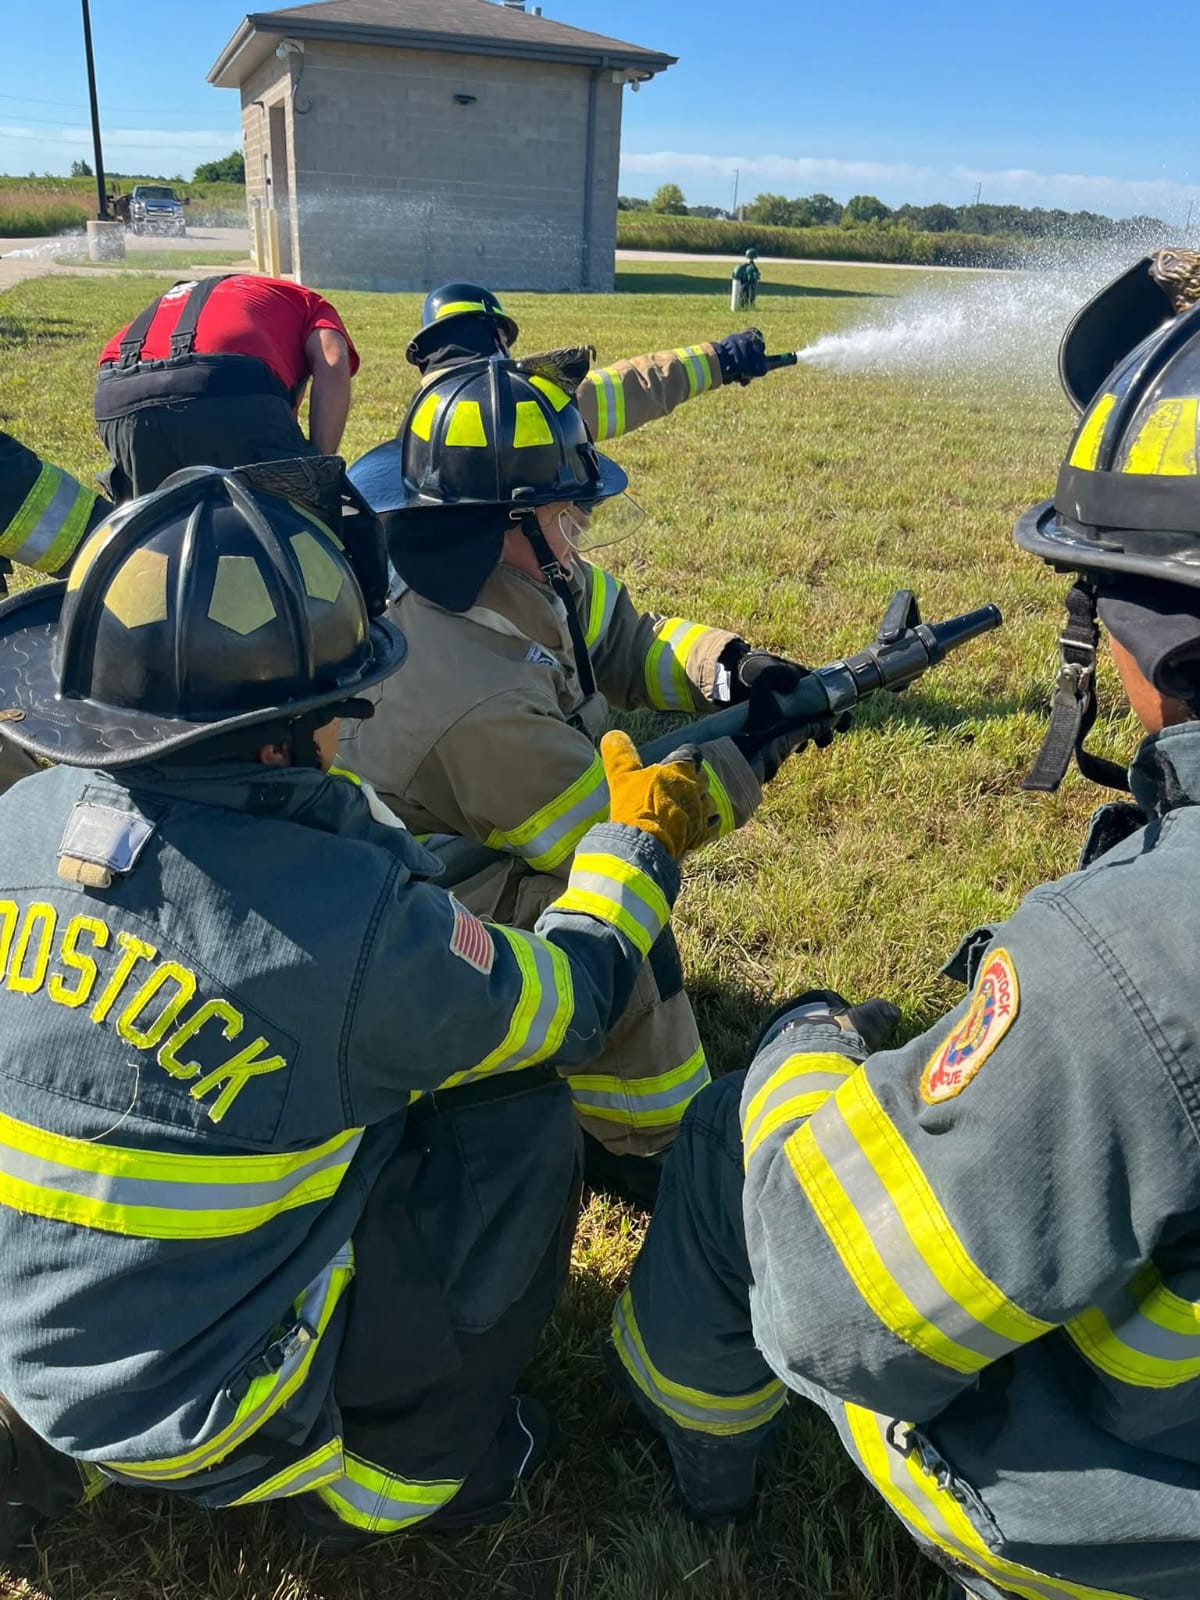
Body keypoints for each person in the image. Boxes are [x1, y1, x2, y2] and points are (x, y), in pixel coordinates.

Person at [0, 465, 713, 1558]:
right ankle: (408, 1474)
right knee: (515, 1115)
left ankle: (45, 1440)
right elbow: (568, 1003)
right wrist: (631, 851)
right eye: (340, 710)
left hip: (30, 1337)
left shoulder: (25, 819)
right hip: (215, 1403)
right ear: (284, 740)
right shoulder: (352, 931)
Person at [604, 300, 1200, 1600]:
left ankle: (702, 1477)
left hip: (1133, 1526)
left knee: (741, 1138)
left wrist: (811, 1041)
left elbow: (840, 1306)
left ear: (1128, 635)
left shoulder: (1134, 976)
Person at [344, 357, 818, 1204]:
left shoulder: (500, 576)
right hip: (422, 909)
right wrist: (753, 759)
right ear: (507, 522)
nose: (578, 541)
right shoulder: (469, 698)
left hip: (472, 838)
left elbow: (618, 635)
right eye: (567, 518)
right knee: (620, 925)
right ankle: (648, 1149)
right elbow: (613, 830)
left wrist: (729, 670)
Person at [404, 280, 774, 445]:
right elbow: (632, 388)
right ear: (495, 334)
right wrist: (721, 359)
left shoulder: (421, 415)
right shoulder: (521, 400)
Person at [93, 273, 359, 499]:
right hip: (225, 383)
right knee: (288, 522)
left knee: (159, 531)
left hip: (116, 395)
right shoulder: (310, 303)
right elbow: (333, 361)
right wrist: (318, 469)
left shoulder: (193, 297)